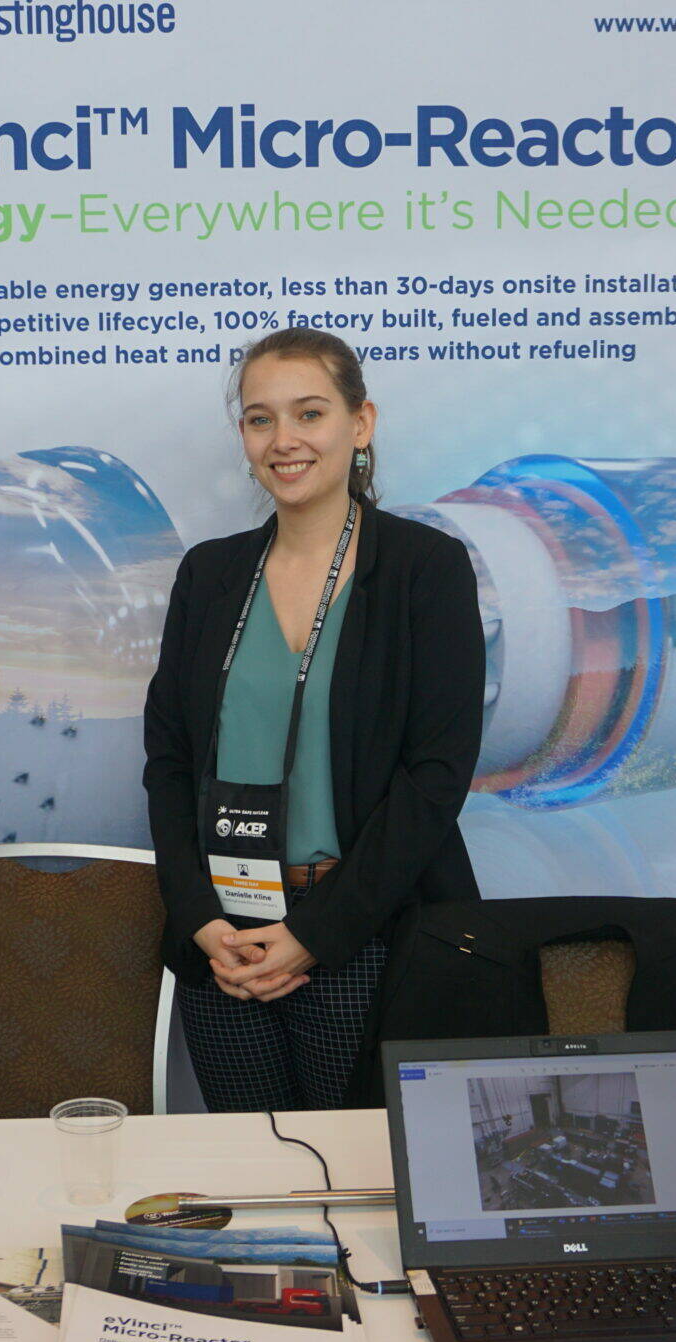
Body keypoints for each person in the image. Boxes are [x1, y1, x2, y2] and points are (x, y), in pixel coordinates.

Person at [143, 327, 483, 1111]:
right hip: (226, 941)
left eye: (309, 413)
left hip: (369, 938)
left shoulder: (423, 571)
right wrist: (198, 917)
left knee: (365, 1187)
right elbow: (167, 761)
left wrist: (316, 933)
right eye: (261, 419)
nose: (284, 440)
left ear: (360, 424)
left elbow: (435, 779)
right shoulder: (211, 574)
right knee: (257, 1184)